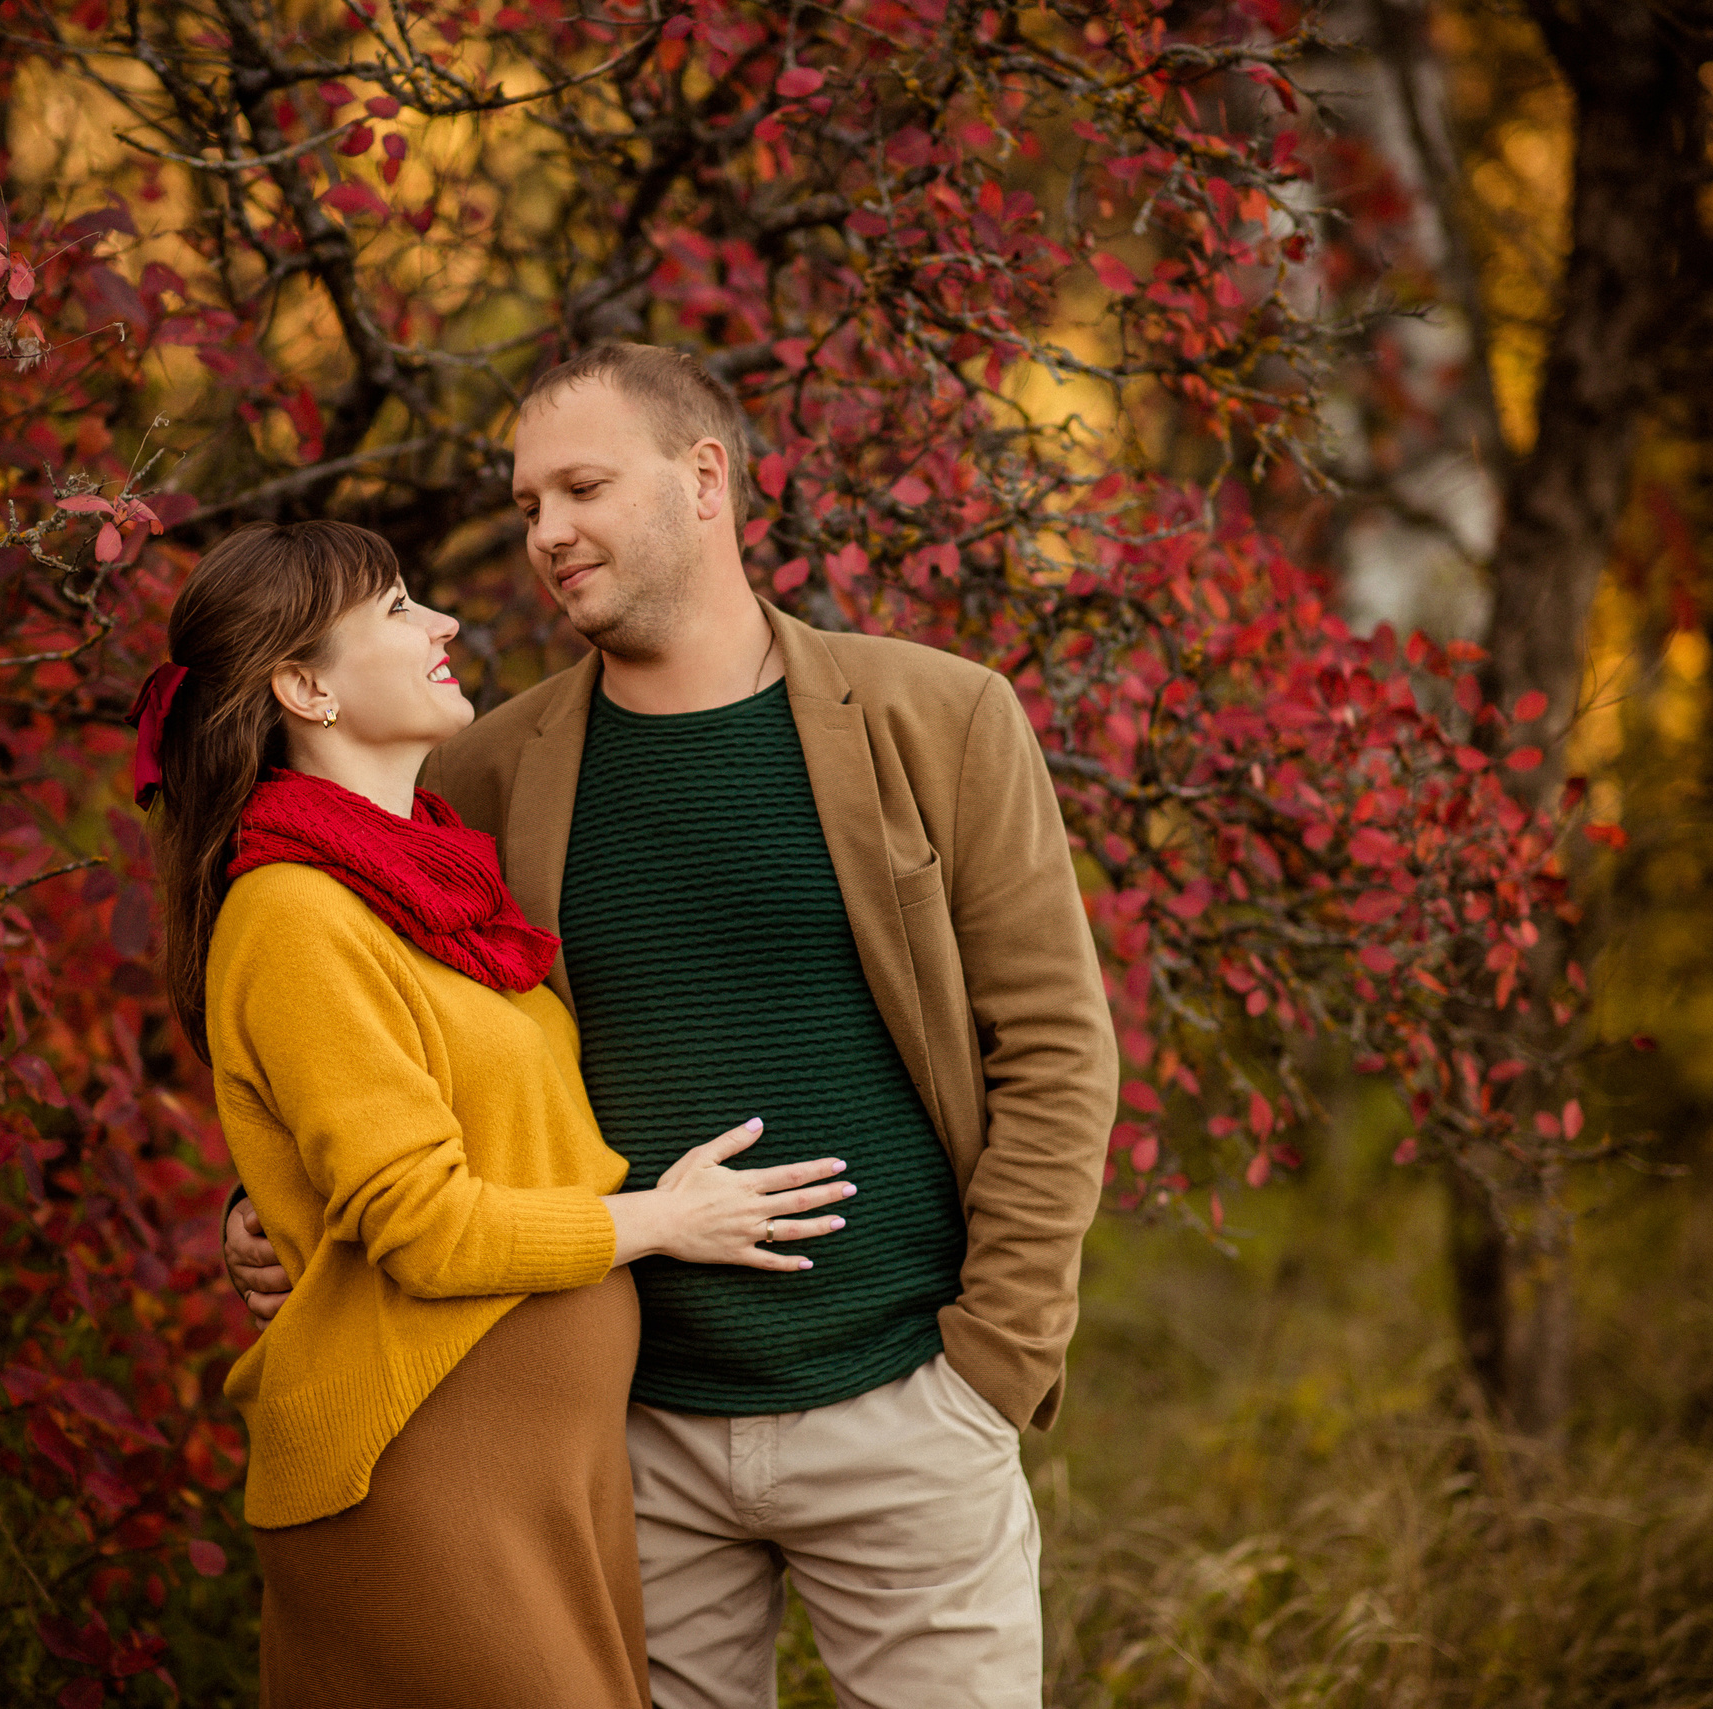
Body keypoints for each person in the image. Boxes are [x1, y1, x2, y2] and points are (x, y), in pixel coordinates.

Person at [229, 348, 1119, 1708]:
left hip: (904, 1400)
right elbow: (375, 1020)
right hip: (622, 1438)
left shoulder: (938, 718)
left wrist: (991, 1359)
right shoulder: (476, 772)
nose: (545, 534)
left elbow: (1058, 1050)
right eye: (528, 504)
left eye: (582, 487)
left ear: (704, 480)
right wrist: (275, 1198)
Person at [139, 520, 858, 1709]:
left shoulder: (427, 882)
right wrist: (660, 1221)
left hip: (535, 1473)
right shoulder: (294, 915)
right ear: (304, 685)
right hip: (423, 1461)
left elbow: (397, 1133)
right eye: (398, 612)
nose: (445, 625)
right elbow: (421, 1225)